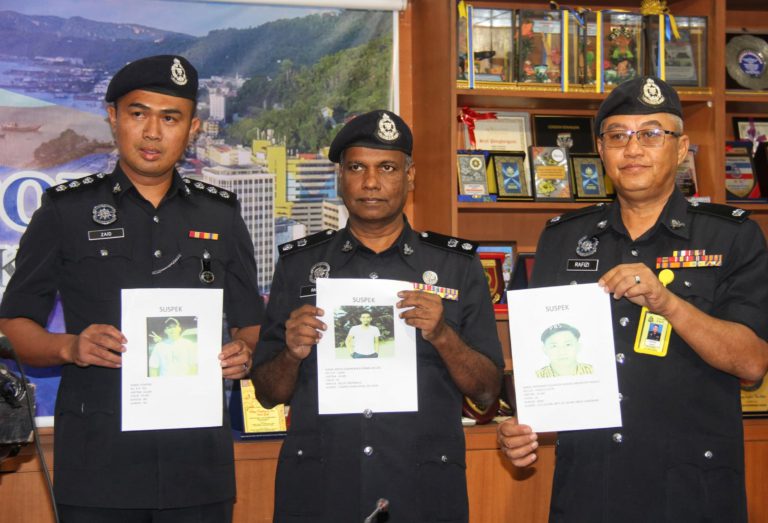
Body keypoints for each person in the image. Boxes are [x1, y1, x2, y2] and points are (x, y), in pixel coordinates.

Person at [0, 55, 264, 521]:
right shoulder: (66, 211)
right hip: (99, 464)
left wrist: (243, 351)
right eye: (138, 113)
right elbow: (12, 325)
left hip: (197, 465)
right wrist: (70, 347)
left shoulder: (220, 215)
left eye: (170, 118)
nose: (152, 132)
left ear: (193, 127)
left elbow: (252, 324)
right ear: (113, 117)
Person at [497, 76, 768, 522]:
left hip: (691, 487)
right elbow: (538, 360)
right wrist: (521, 426)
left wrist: (670, 303)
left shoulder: (732, 235)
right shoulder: (562, 239)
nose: (633, 149)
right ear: (601, 151)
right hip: (590, 484)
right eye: (618, 136)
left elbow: (752, 362)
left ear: (681, 149)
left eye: (651, 134)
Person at [251, 110, 503, 522]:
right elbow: (266, 393)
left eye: (387, 167)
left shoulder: (457, 266)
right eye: (357, 168)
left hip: (421, 486)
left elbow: (488, 393)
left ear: (410, 176)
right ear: (339, 177)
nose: (371, 182)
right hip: (321, 485)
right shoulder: (299, 266)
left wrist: (443, 336)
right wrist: (292, 354)